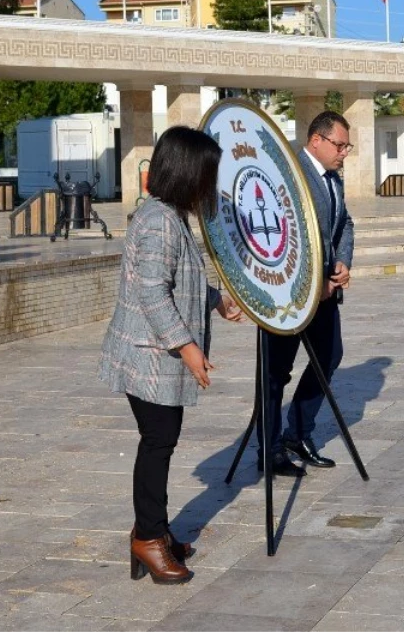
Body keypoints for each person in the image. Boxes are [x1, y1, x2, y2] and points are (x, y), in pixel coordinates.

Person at [98, 126, 243, 585]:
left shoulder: (169, 214)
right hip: (148, 355)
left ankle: (153, 531)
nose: (211, 185)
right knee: (158, 442)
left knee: (161, 440)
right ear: (187, 173)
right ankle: (148, 540)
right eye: (207, 174)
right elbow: (153, 294)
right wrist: (189, 349)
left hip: (155, 353)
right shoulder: (160, 220)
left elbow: (181, 280)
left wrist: (215, 299)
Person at [259, 111, 355, 478]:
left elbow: (344, 221)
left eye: (347, 146)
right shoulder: (292, 174)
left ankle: (297, 434)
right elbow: (288, 236)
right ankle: (268, 451)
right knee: (276, 372)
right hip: (289, 295)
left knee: (329, 356)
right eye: (339, 144)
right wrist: (316, 284)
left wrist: (343, 260)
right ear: (316, 140)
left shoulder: (333, 179)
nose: (344, 152)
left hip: (326, 294)